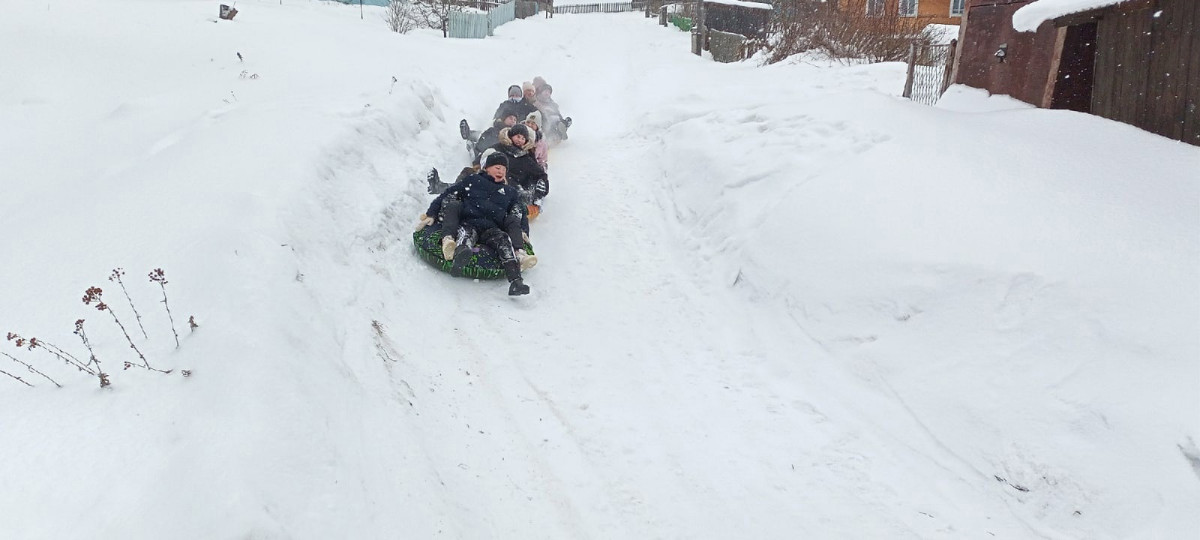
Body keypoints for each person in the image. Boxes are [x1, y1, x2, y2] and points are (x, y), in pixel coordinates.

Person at [417, 151, 536, 295]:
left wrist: (523, 231)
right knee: (466, 235)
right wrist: (431, 213)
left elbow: (520, 211)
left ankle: (516, 280)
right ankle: (458, 255)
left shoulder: (509, 192)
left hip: (492, 228)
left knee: (503, 240)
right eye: (497, 168)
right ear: (487, 168)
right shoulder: (473, 180)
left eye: (504, 169)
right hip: (470, 221)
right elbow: (448, 193)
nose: (501, 171)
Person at [489, 124, 549, 207]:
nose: (520, 140)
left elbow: (539, 173)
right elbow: (482, 160)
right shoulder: (498, 148)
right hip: (496, 182)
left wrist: (542, 184)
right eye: (518, 136)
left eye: (523, 138)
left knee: (527, 181)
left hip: (517, 186)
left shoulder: (525, 157)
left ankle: (528, 198)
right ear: (511, 135)